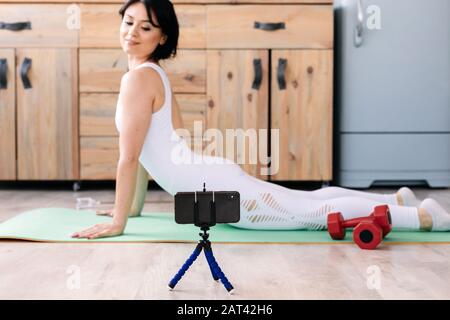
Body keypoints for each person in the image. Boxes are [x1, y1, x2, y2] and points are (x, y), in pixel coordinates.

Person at [71, 0, 450, 239]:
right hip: (208, 176)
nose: (132, 32)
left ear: (161, 36)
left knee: (311, 213)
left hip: (212, 188)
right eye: (128, 22)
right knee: (305, 200)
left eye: (145, 27)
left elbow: (127, 157)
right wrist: (130, 210)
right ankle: (393, 197)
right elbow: (141, 156)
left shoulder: (139, 78)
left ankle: (421, 217)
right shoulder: (152, 73)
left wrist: (118, 223)